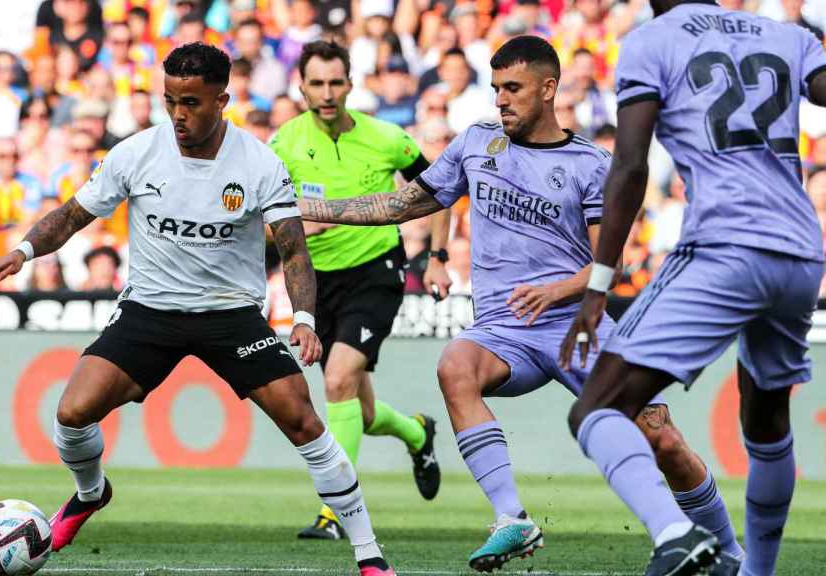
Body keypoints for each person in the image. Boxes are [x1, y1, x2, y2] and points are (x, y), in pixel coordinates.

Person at [299, 34, 743, 576]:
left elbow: (613, 264)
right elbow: (398, 204)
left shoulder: (588, 164)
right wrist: (305, 206)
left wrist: (557, 290)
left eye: (514, 88)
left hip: (576, 324)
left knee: (662, 438)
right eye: (496, 89)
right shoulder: (476, 145)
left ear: (548, 88)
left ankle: (730, 553)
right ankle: (511, 516)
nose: (501, 100)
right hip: (505, 331)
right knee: (455, 366)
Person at [0, 43, 398, 576]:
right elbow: (70, 216)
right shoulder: (136, 154)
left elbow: (294, 249)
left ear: (221, 100)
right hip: (150, 311)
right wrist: (22, 252)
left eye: (192, 103)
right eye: (170, 100)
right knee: (71, 414)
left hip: (231, 315)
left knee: (303, 420)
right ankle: (90, 493)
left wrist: (304, 320)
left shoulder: (258, 163)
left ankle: (368, 552)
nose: (179, 114)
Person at [557, 0, 826, 574]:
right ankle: (757, 572)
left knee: (596, 408)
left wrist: (597, 285)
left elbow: (628, 166)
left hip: (726, 244)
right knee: (766, 420)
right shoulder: (787, 35)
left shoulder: (651, 40)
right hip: (802, 252)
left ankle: (676, 533)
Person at [268, 40, 441, 541]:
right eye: (316, 84)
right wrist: (293, 231)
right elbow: (257, 222)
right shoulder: (283, 145)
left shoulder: (387, 138)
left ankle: (335, 511)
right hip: (317, 283)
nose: (326, 93)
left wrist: (438, 256)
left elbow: (442, 189)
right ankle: (416, 432)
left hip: (375, 269)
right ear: (300, 86)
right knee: (359, 412)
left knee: (339, 377)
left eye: (335, 82)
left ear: (350, 84)